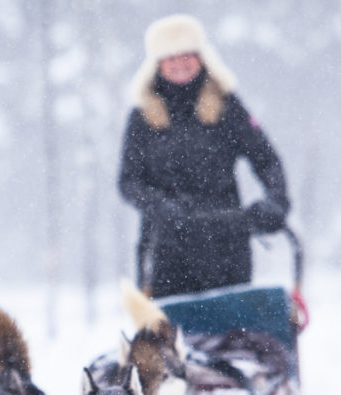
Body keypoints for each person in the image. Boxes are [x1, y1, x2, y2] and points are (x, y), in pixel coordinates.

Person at [118, 14, 291, 299]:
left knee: (232, 332)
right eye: (169, 57)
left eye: (186, 54)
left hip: (226, 241)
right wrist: (161, 207)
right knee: (166, 336)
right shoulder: (142, 117)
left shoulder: (228, 106)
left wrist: (276, 201)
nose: (179, 63)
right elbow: (128, 182)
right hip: (165, 248)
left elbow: (266, 159)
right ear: (157, 64)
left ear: (201, 57)